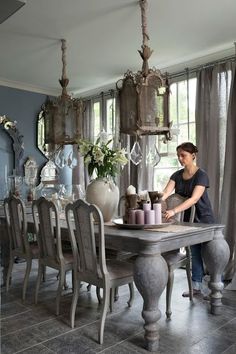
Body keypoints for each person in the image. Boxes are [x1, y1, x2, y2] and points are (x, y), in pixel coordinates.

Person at [161, 142, 215, 297]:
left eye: (183, 155)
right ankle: (196, 287)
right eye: (178, 155)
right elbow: (165, 192)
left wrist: (173, 210)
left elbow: (194, 199)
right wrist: (155, 200)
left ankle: (216, 283)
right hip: (187, 221)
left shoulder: (201, 175)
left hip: (204, 219)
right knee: (195, 253)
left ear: (193, 155)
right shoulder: (177, 175)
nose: (180, 158)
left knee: (211, 252)